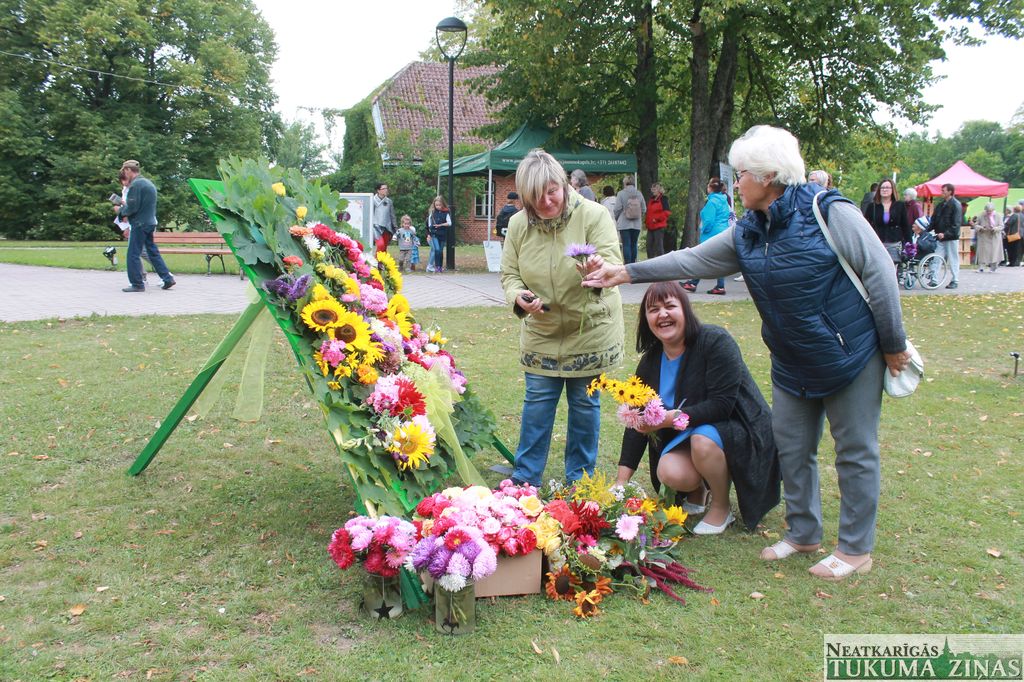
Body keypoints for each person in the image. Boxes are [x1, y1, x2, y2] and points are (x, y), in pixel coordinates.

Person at [583, 125, 911, 581]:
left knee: (854, 452)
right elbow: (691, 260)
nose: (735, 184)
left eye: (741, 175)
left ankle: (855, 549)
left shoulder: (829, 212)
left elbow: (879, 271)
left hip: (850, 355)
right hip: (792, 362)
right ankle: (802, 533)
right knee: (793, 449)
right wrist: (625, 272)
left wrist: (893, 344)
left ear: (769, 175)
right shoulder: (749, 232)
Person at [500, 149, 624, 487]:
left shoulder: (595, 215)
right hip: (542, 328)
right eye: (534, 196)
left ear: (564, 184)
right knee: (537, 404)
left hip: (590, 328)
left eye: (551, 191)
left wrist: (598, 269)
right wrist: (518, 297)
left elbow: (612, 262)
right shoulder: (517, 224)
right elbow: (510, 275)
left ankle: (580, 481)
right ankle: (526, 478)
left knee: (585, 408)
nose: (545, 201)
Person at [616, 282, 780, 534]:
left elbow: (722, 406)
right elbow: (637, 423)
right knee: (669, 471)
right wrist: (620, 483)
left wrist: (669, 419)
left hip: (737, 427)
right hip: (689, 434)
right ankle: (698, 490)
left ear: (686, 310)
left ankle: (721, 507)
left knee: (702, 440)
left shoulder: (714, 341)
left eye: (670, 306)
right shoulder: (650, 361)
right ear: (645, 318)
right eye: (653, 309)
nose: (662, 314)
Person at [117, 160, 175, 292]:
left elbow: (132, 207)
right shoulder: (148, 183)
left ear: (128, 171)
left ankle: (137, 284)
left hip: (139, 224)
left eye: (125, 171)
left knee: (133, 254)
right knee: (152, 252)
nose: (124, 174)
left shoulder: (136, 185)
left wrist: (120, 212)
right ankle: (167, 278)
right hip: (150, 222)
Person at [683, 177, 731, 295]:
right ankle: (719, 286)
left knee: (702, 259)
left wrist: (703, 229)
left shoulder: (712, 202)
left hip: (712, 234)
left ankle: (693, 283)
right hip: (722, 232)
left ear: (710, 188)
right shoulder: (724, 200)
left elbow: (709, 220)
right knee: (719, 261)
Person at [863, 178, 911, 265]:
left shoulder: (900, 205)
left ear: (892, 190)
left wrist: (909, 245)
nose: (884, 190)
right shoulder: (872, 206)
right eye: (882, 188)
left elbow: (906, 226)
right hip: (878, 244)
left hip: (894, 244)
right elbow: (866, 225)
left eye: (887, 188)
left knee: (892, 271)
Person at [929, 183, 962, 289]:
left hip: (951, 237)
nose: (941, 192)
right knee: (936, 258)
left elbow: (956, 224)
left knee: (953, 258)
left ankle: (955, 279)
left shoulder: (956, 205)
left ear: (950, 192)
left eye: (944, 191)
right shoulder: (940, 205)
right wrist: (926, 230)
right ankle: (934, 279)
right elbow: (934, 220)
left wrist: (946, 234)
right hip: (940, 236)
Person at [614, 175, 645, 264]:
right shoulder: (639, 193)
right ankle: (633, 263)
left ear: (625, 183)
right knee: (634, 244)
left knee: (626, 244)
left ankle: (627, 264)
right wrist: (638, 215)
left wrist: (617, 218)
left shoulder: (621, 193)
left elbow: (617, 208)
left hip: (624, 223)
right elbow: (644, 209)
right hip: (636, 224)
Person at [645, 182, 671, 260]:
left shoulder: (664, 199)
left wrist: (657, 219)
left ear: (659, 190)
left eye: (655, 188)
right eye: (652, 188)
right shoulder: (651, 199)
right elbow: (649, 212)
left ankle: (661, 262)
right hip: (650, 226)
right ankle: (650, 262)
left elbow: (667, 212)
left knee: (658, 246)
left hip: (659, 226)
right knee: (649, 245)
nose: (653, 190)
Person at [974, 203, 1004, 272]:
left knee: (994, 252)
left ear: (993, 210)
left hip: (994, 237)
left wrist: (995, 228)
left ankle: (993, 267)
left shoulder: (998, 215)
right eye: (987, 211)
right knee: (983, 252)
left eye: (990, 211)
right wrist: (981, 228)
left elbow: (1001, 226)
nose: (988, 212)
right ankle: (981, 267)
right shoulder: (981, 215)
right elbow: (976, 225)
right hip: (984, 236)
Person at [427, 196, 451, 273]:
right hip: (434, 234)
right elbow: (429, 224)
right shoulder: (432, 213)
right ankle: (436, 267)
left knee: (440, 251)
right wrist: (429, 234)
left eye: (439, 205)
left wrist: (440, 225)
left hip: (443, 234)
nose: (438, 207)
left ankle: (440, 267)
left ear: (443, 204)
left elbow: (449, 223)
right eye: (436, 205)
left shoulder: (446, 213)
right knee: (436, 249)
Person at [372, 182, 397, 256]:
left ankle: (383, 265)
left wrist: (395, 227)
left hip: (387, 227)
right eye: (384, 188)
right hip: (376, 227)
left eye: (386, 188)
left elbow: (392, 215)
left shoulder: (389, 201)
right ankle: (376, 263)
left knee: (384, 248)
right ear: (378, 190)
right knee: (380, 245)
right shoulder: (372, 200)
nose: (386, 190)